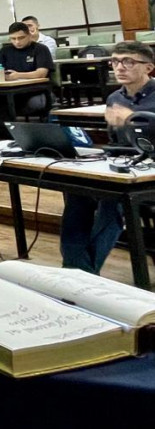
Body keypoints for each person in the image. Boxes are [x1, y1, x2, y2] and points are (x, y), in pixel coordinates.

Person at [61, 42, 155, 273]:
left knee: (112, 199)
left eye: (128, 62)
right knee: (76, 192)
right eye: (114, 61)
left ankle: (83, 273)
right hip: (124, 162)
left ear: (148, 67)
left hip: (149, 171)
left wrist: (132, 118)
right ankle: (73, 266)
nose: (119, 67)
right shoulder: (114, 97)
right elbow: (116, 142)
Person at [0, 21, 55, 137]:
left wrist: (18, 75)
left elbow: (41, 73)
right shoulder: (5, 51)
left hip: (37, 91)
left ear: (29, 35)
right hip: (10, 92)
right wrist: (2, 75)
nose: (17, 42)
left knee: (9, 106)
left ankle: (19, 137)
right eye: (13, 39)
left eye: (21, 38)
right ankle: (4, 137)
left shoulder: (40, 49)